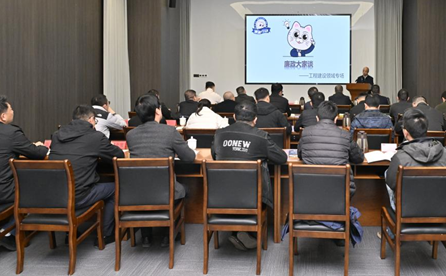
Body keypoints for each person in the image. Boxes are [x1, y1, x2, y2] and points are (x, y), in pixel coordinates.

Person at [212, 102, 288, 251]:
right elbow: (281, 158)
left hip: (221, 196)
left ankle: (239, 231)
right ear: (255, 119)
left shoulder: (219, 134)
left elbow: (215, 156)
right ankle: (244, 232)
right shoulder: (261, 136)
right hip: (253, 198)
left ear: (234, 117)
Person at [126, 94, 196, 248]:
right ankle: (168, 233)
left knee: (147, 186)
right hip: (166, 192)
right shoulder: (169, 132)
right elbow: (190, 157)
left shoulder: (130, 135)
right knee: (185, 189)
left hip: (137, 193)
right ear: (158, 111)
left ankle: (146, 236)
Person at [49, 105, 124, 246]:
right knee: (116, 188)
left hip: (56, 195)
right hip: (79, 196)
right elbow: (118, 155)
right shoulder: (95, 137)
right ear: (91, 119)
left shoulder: (57, 135)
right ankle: (106, 234)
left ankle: (70, 232)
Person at [0, 96, 48, 251]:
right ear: (3, 116)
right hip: (3, 191)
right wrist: (41, 146)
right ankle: (8, 232)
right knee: (37, 187)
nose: (13, 111)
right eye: (11, 109)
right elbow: (37, 154)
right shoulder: (11, 133)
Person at [385, 109, 446, 210]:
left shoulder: (400, 157)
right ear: (426, 130)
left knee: (387, 173)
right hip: (441, 209)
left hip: (408, 210)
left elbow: (391, 183)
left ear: (405, 133)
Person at [299, 101, 364, 197]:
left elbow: (300, 154)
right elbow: (358, 158)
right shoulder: (345, 135)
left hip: (309, 189)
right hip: (341, 190)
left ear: (317, 118)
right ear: (336, 119)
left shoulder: (306, 133)